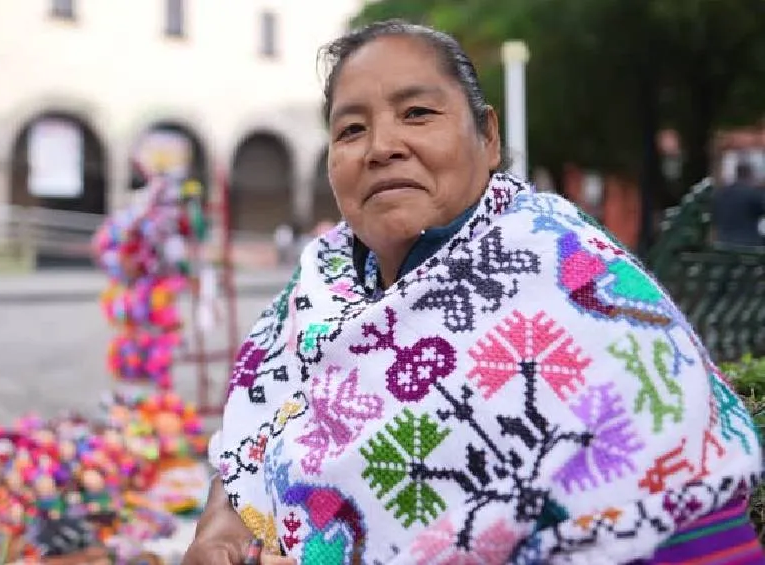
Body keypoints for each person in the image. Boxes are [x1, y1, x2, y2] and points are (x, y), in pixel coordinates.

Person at [185, 21, 763, 565]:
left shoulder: (568, 276)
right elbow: (250, 435)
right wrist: (222, 521)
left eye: (416, 113)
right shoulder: (319, 284)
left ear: (487, 137)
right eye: (351, 129)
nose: (381, 146)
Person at [712, 160, 764, 247]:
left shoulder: (721, 193)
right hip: (748, 243)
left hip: (723, 241)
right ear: (749, 175)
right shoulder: (753, 193)